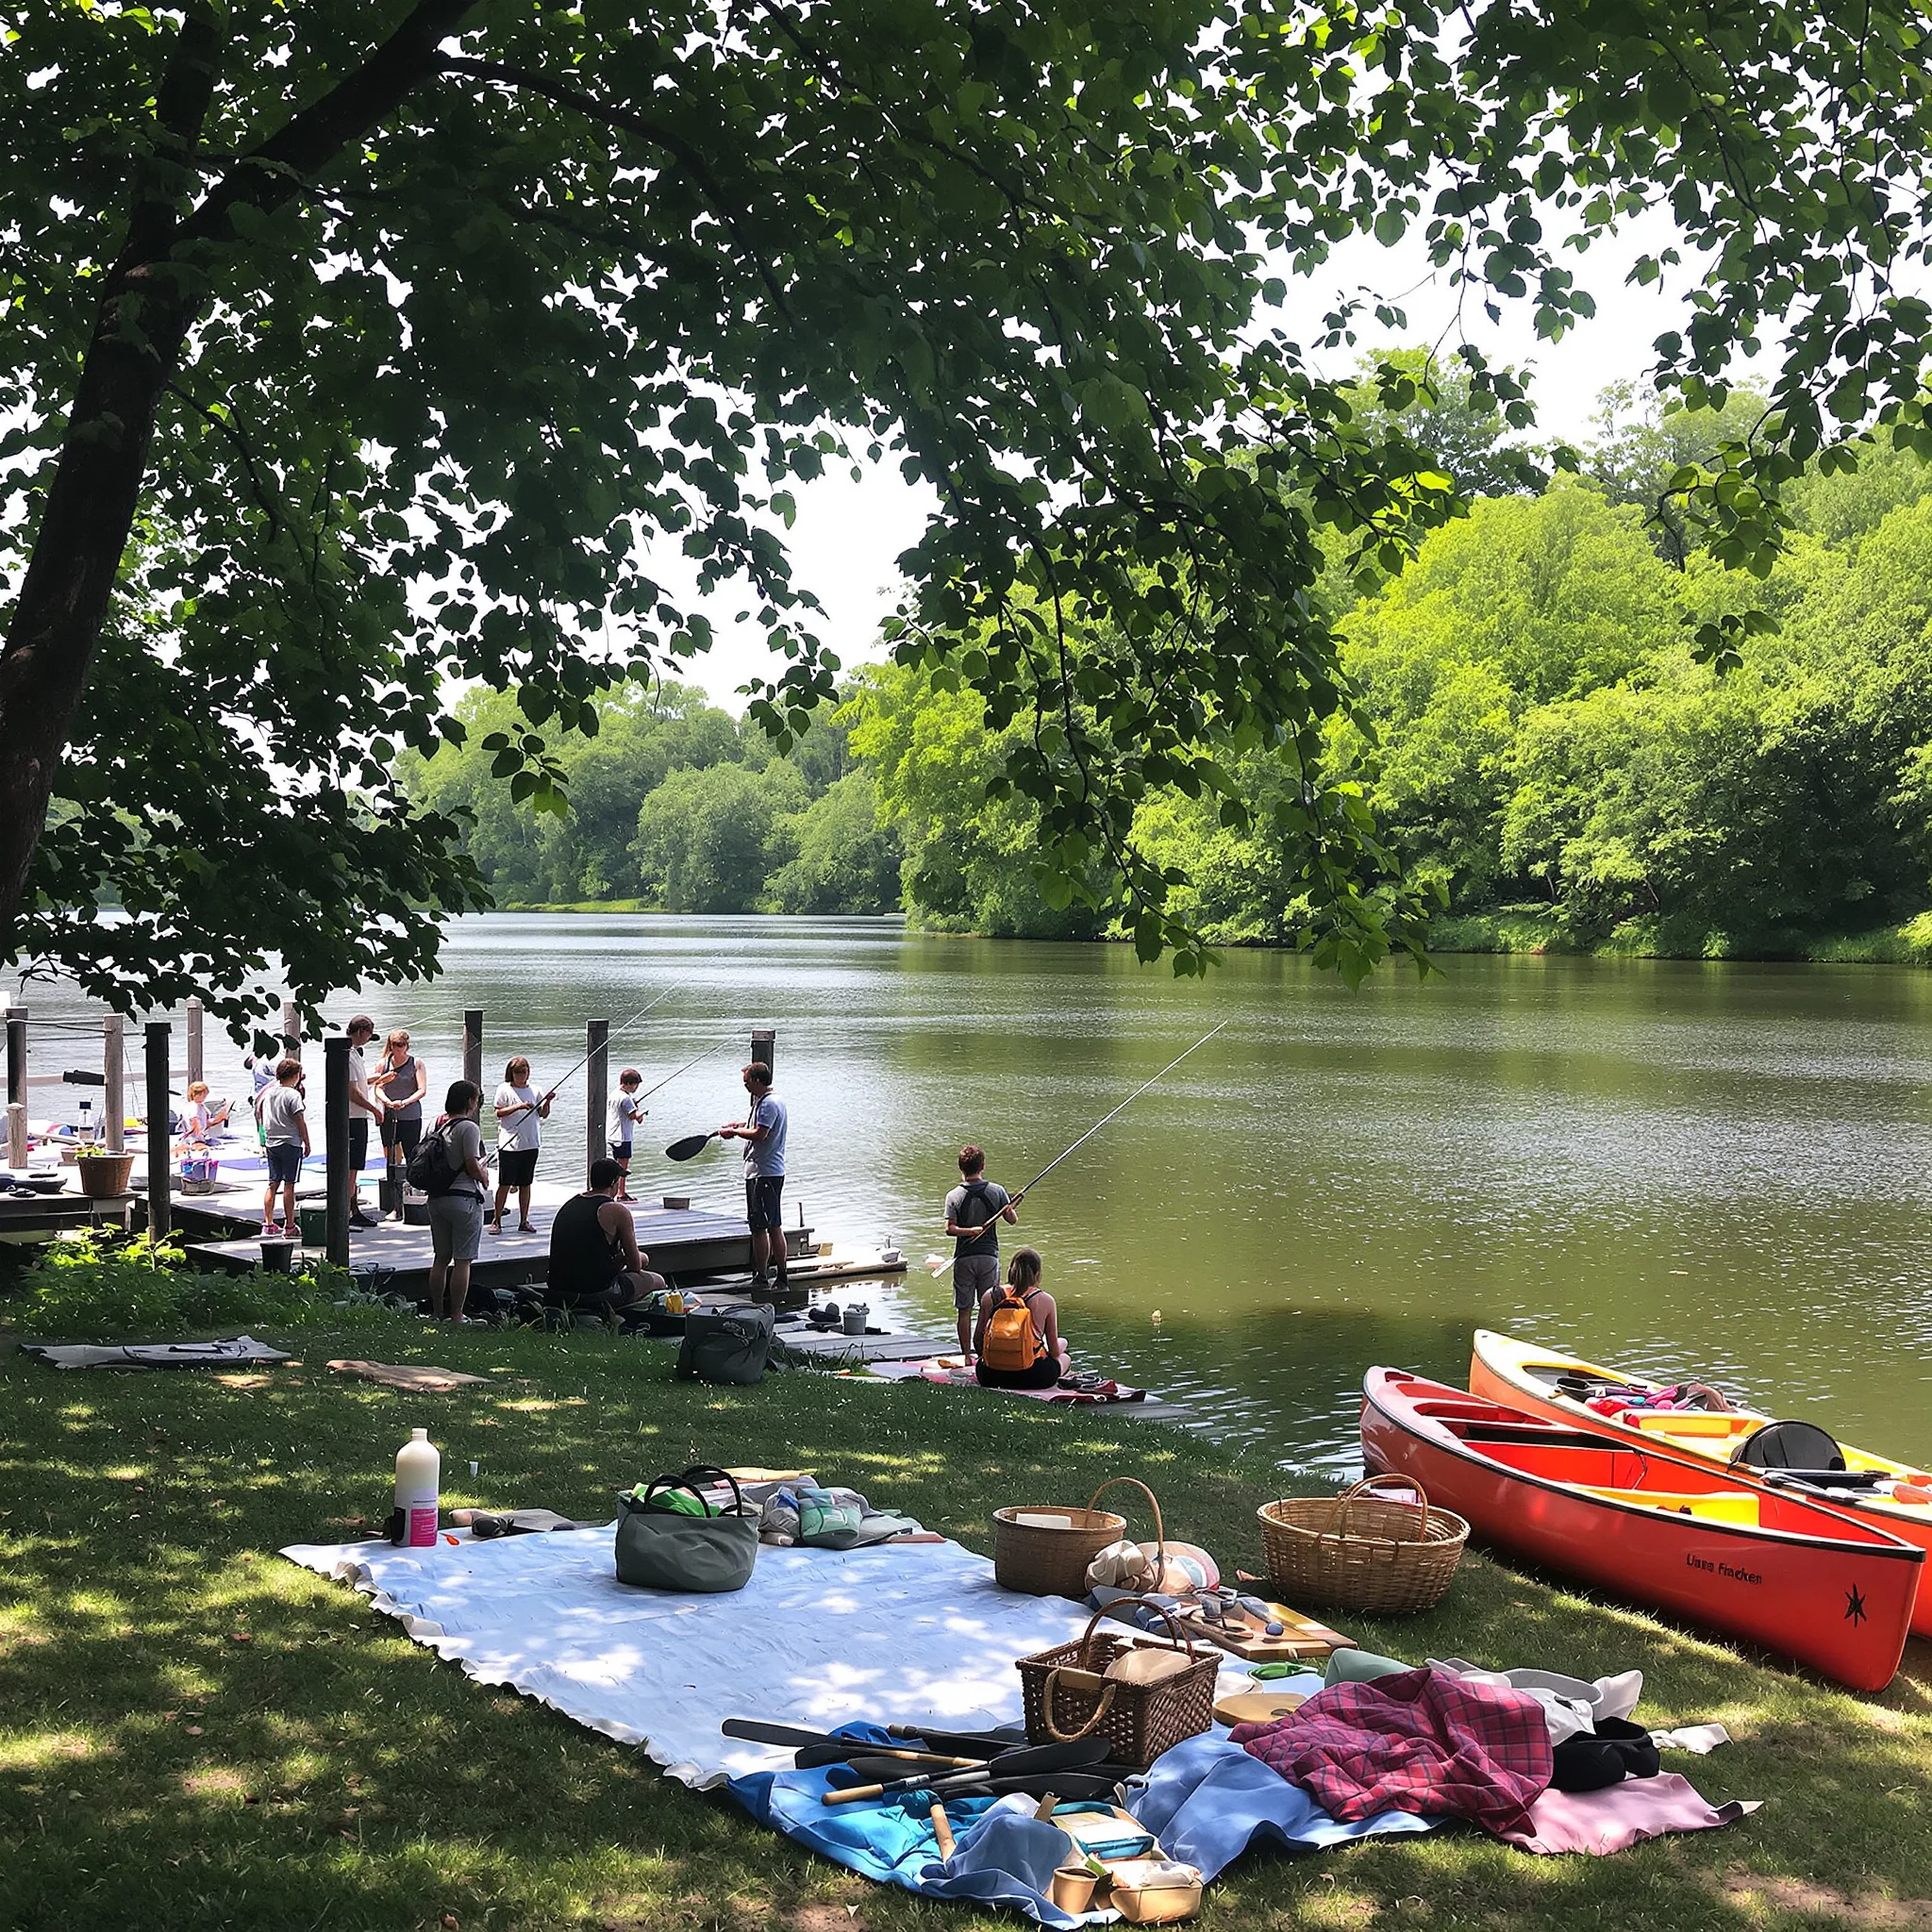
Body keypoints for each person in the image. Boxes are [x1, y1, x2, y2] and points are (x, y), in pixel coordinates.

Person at [545, 1156, 668, 1312]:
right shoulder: (616, 1210)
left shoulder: (569, 1204)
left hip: (558, 1291)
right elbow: (635, 1264)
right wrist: (643, 1257)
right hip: (593, 1293)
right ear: (613, 1182)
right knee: (656, 1280)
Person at [944, 1145, 1021, 1359]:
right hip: (989, 1258)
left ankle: (967, 1356)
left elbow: (949, 1229)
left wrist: (968, 1231)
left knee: (964, 1309)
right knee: (988, 1308)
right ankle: (987, 1354)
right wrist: (1010, 1206)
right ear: (983, 1166)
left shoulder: (953, 1195)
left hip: (963, 1259)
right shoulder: (997, 1191)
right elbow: (1012, 1220)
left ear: (960, 1168)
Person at [718, 1060, 788, 1289]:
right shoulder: (769, 1101)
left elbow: (760, 1134)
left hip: (764, 1173)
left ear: (757, 1080)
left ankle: (773, 1277)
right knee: (762, 1225)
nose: (745, 1086)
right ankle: (764, 1275)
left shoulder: (768, 1104)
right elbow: (756, 1125)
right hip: (765, 1172)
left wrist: (735, 1133)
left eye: (747, 1082)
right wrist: (737, 1125)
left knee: (767, 1226)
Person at [424, 1079, 490, 1322]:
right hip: (463, 1200)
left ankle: (437, 1312)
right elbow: (472, 1164)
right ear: (470, 1102)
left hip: (437, 1199)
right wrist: (484, 1176)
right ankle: (457, 1315)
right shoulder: (469, 1128)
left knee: (441, 1258)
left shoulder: (436, 1125)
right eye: (476, 1098)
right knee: (463, 1260)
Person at [974, 1246, 1072, 1390]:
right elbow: (1054, 1352)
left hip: (989, 1375)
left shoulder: (990, 1295)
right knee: (1064, 1356)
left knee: (1061, 1343)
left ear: (1011, 1270)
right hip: (1033, 1376)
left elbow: (977, 1340)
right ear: (1037, 1274)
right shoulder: (1045, 1299)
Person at [372, 1028, 427, 1221]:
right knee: (391, 1160)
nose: (398, 1049)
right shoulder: (383, 1064)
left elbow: (422, 1089)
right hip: (389, 1116)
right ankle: (394, 1205)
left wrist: (405, 1102)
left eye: (401, 1045)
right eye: (395, 1045)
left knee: (412, 1156)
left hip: (410, 1115)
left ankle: (413, 1199)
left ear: (407, 1046)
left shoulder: (416, 1063)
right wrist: (387, 1102)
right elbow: (378, 1087)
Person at [492, 1055, 551, 1233]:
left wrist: (548, 1101)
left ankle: (524, 1221)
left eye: (523, 1071)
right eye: (517, 1072)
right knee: (505, 1183)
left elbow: (543, 1114)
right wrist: (519, 1106)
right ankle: (497, 1221)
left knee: (526, 1183)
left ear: (528, 1072)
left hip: (531, 1143)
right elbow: (498, 1113)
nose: (520, 1075)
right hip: (509, 1144)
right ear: (511, 1073)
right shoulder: (504, 1089)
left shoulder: (535, 1090)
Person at [259, 1057, 308, 1237]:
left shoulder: (269, 1093)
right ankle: (289, 1226)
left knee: (273, 1183)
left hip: (272, 1142)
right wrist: (307, 1142)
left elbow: (260, 1113)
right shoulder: (293, 1095)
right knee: (289, 1184)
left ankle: (268, 1223)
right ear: (296, 1075)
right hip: (290, 1142)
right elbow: (299, 1120)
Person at [344, 1014, 381, 1230]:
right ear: (360, 1031)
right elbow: (352, 1092)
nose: (369, 1039)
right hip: (353, 1118)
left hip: (358, 1117)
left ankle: (353, 1209)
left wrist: (377, 1079)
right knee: (351, 1169)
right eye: (368, 1034)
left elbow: (358, 1084)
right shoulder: (347, 1056)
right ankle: (348, 1212)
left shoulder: (356, 1054)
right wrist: (374, 1109)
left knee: (355, 1168)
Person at [608, 1067, 645, 1200]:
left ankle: (612, 1191)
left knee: (614, 1165)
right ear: (628, 1083)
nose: (636, 1088)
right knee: (623, 1166)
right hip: (623, 1136)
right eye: (635, 1085)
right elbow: (633, 1116)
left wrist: (633, 1105)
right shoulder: (626, 1099)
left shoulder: (614, 1094)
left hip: (612, 1135)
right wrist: (641, 1114)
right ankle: (621, 1193)